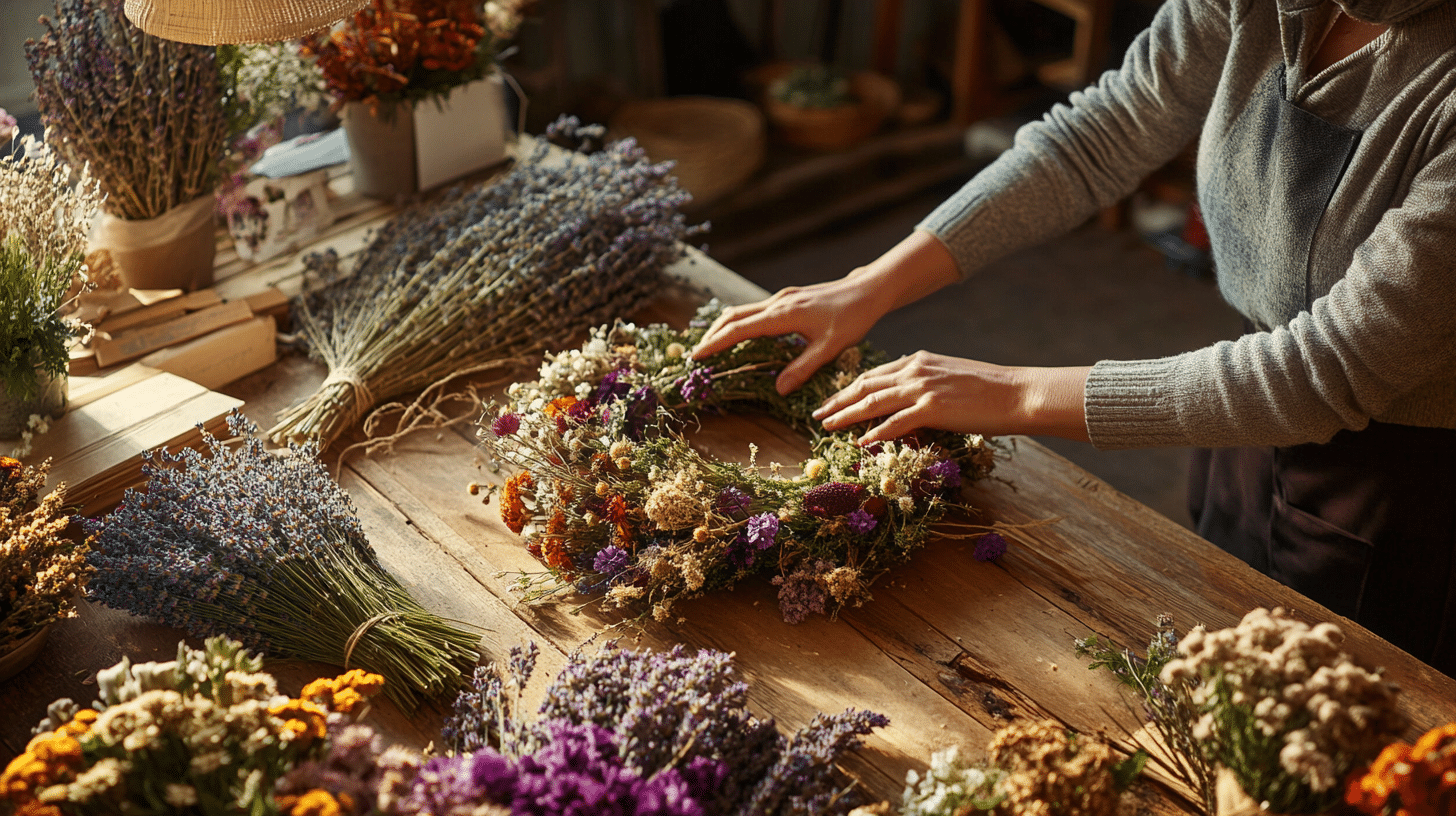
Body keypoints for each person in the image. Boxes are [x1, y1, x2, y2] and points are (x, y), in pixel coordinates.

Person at [691, 0, 1456, 676]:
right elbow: (1101, 137)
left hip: (1400, 478)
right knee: (1219, 630)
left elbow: (1322, 375)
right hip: (1245, 404)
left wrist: (1014, 391)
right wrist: (870, 285)